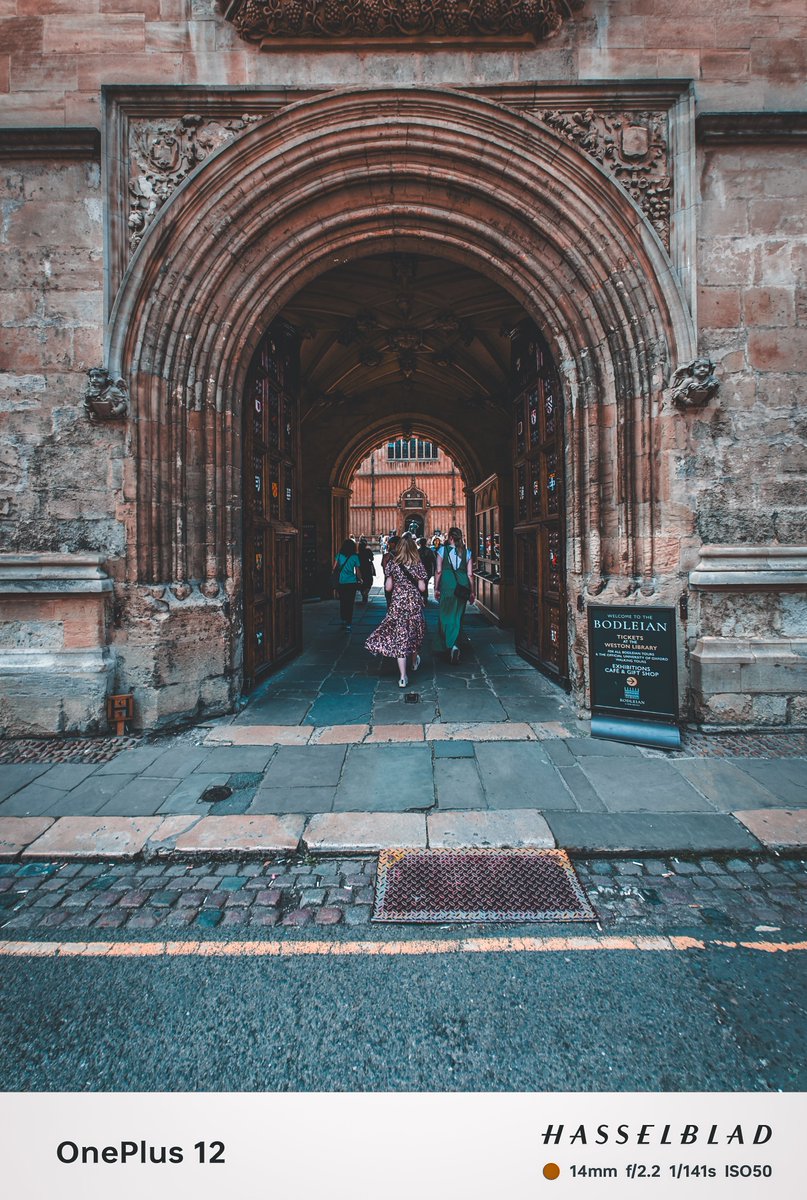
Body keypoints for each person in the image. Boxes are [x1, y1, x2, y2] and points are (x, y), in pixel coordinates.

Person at [365, 534, 427, 687]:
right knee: (414, 633)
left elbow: (388, 587)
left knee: (401, 637)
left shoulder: (392, 564)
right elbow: (422, 587)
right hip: (413, 604)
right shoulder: (417, 563)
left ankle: (402, 677)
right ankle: (413, 662)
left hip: (398, 604)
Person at [433, 526, 475, 664]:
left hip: (447, 584)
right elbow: (470, 574)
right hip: (462, 586)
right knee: (457, 615)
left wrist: (436, 588)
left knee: (445, 616)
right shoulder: (467, 552)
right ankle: (456, 644)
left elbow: (438, 571)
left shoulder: (442, 550)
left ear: (450, 537)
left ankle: (451, 645)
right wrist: (472, 591)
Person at [332, 537, 361, 632]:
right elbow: (357, 571)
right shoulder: (355, 557)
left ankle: (343, 619)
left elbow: (334, 567)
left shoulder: (339, 555)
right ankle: (349, 622)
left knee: (343, 601)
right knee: (350, 602)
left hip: (341, 582)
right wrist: (360, 579)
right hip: (351, 582)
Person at [380, 534, 400, 608]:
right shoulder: (405, 556)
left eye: (389, 544)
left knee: (389, 602)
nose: (387, 546)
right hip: (401, 583)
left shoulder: (386, 556)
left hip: (389, 581)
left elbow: (385, 570)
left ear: (393, 544)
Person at [357, 537, 375, 604]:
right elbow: (372, 559)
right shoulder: (368, 551)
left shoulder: (357, 554)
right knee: (369, 581)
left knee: (361, 582)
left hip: (360, 568)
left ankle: (363, 594)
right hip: (367, 567)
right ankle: (366, 593)